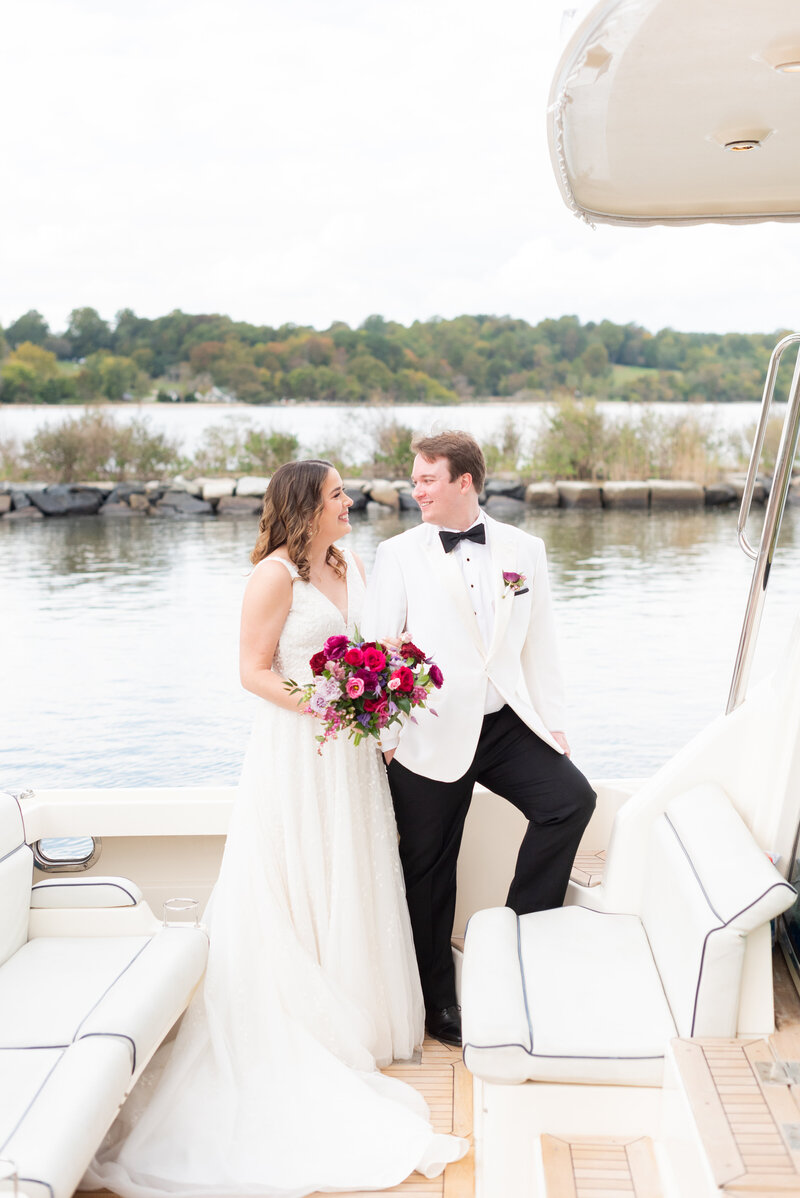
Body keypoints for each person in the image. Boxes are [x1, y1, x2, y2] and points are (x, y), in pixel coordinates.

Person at [84, 460, 467, 1197]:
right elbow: (252, 671)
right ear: (305, 506)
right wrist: (324, 704)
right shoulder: (272, 578)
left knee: (350, 871)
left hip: (351, 757)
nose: (348, 501)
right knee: (297, 876)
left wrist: (386, 682)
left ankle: (362, 1015)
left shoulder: (349, 561)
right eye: (335, 495)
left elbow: (375, 646)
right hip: (299, 750)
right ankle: (306, 1022)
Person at [361, 431, 596, 1048]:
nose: (416, 490)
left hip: (506, 725)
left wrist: (553, 721)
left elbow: (539, 643)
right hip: (427, 731)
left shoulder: (525, 549)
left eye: (427, 480)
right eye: (415, 480)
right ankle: (438, 1004)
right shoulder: (399, 553)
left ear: (464, 481)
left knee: (571, 801)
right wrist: (387, 735)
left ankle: (518, 942)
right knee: (429, 869)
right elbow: (379, 649)